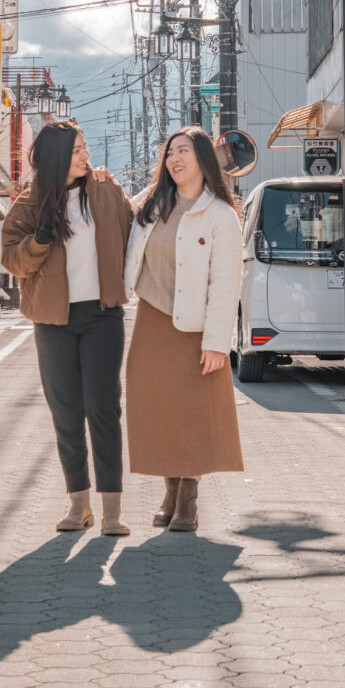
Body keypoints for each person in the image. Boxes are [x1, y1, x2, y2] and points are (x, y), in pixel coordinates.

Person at [1, 122, 133, 536]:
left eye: (85, 146)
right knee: (66, 412)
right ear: (58, 155)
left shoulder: (107, 190)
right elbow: (12, 259)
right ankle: (79, 505)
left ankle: (112, 510)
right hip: (53, 319)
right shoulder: (32, 202)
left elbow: (136, 232)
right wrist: (39, 241)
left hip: (102, 314)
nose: (85, 154)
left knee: (104, 409)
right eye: (76, 149)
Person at [124, 126, 244, 532]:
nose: (174, 159)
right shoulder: (152, 205)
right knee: (157, 408)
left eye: (183, 152)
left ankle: (188, 499)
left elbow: (226, 285)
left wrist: (217, 343)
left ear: (202, 159)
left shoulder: (221, 215)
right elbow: (117, 211)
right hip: (151, 317)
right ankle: (170, 491)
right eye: (170, 152)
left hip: (195, 326)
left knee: (192, 411)